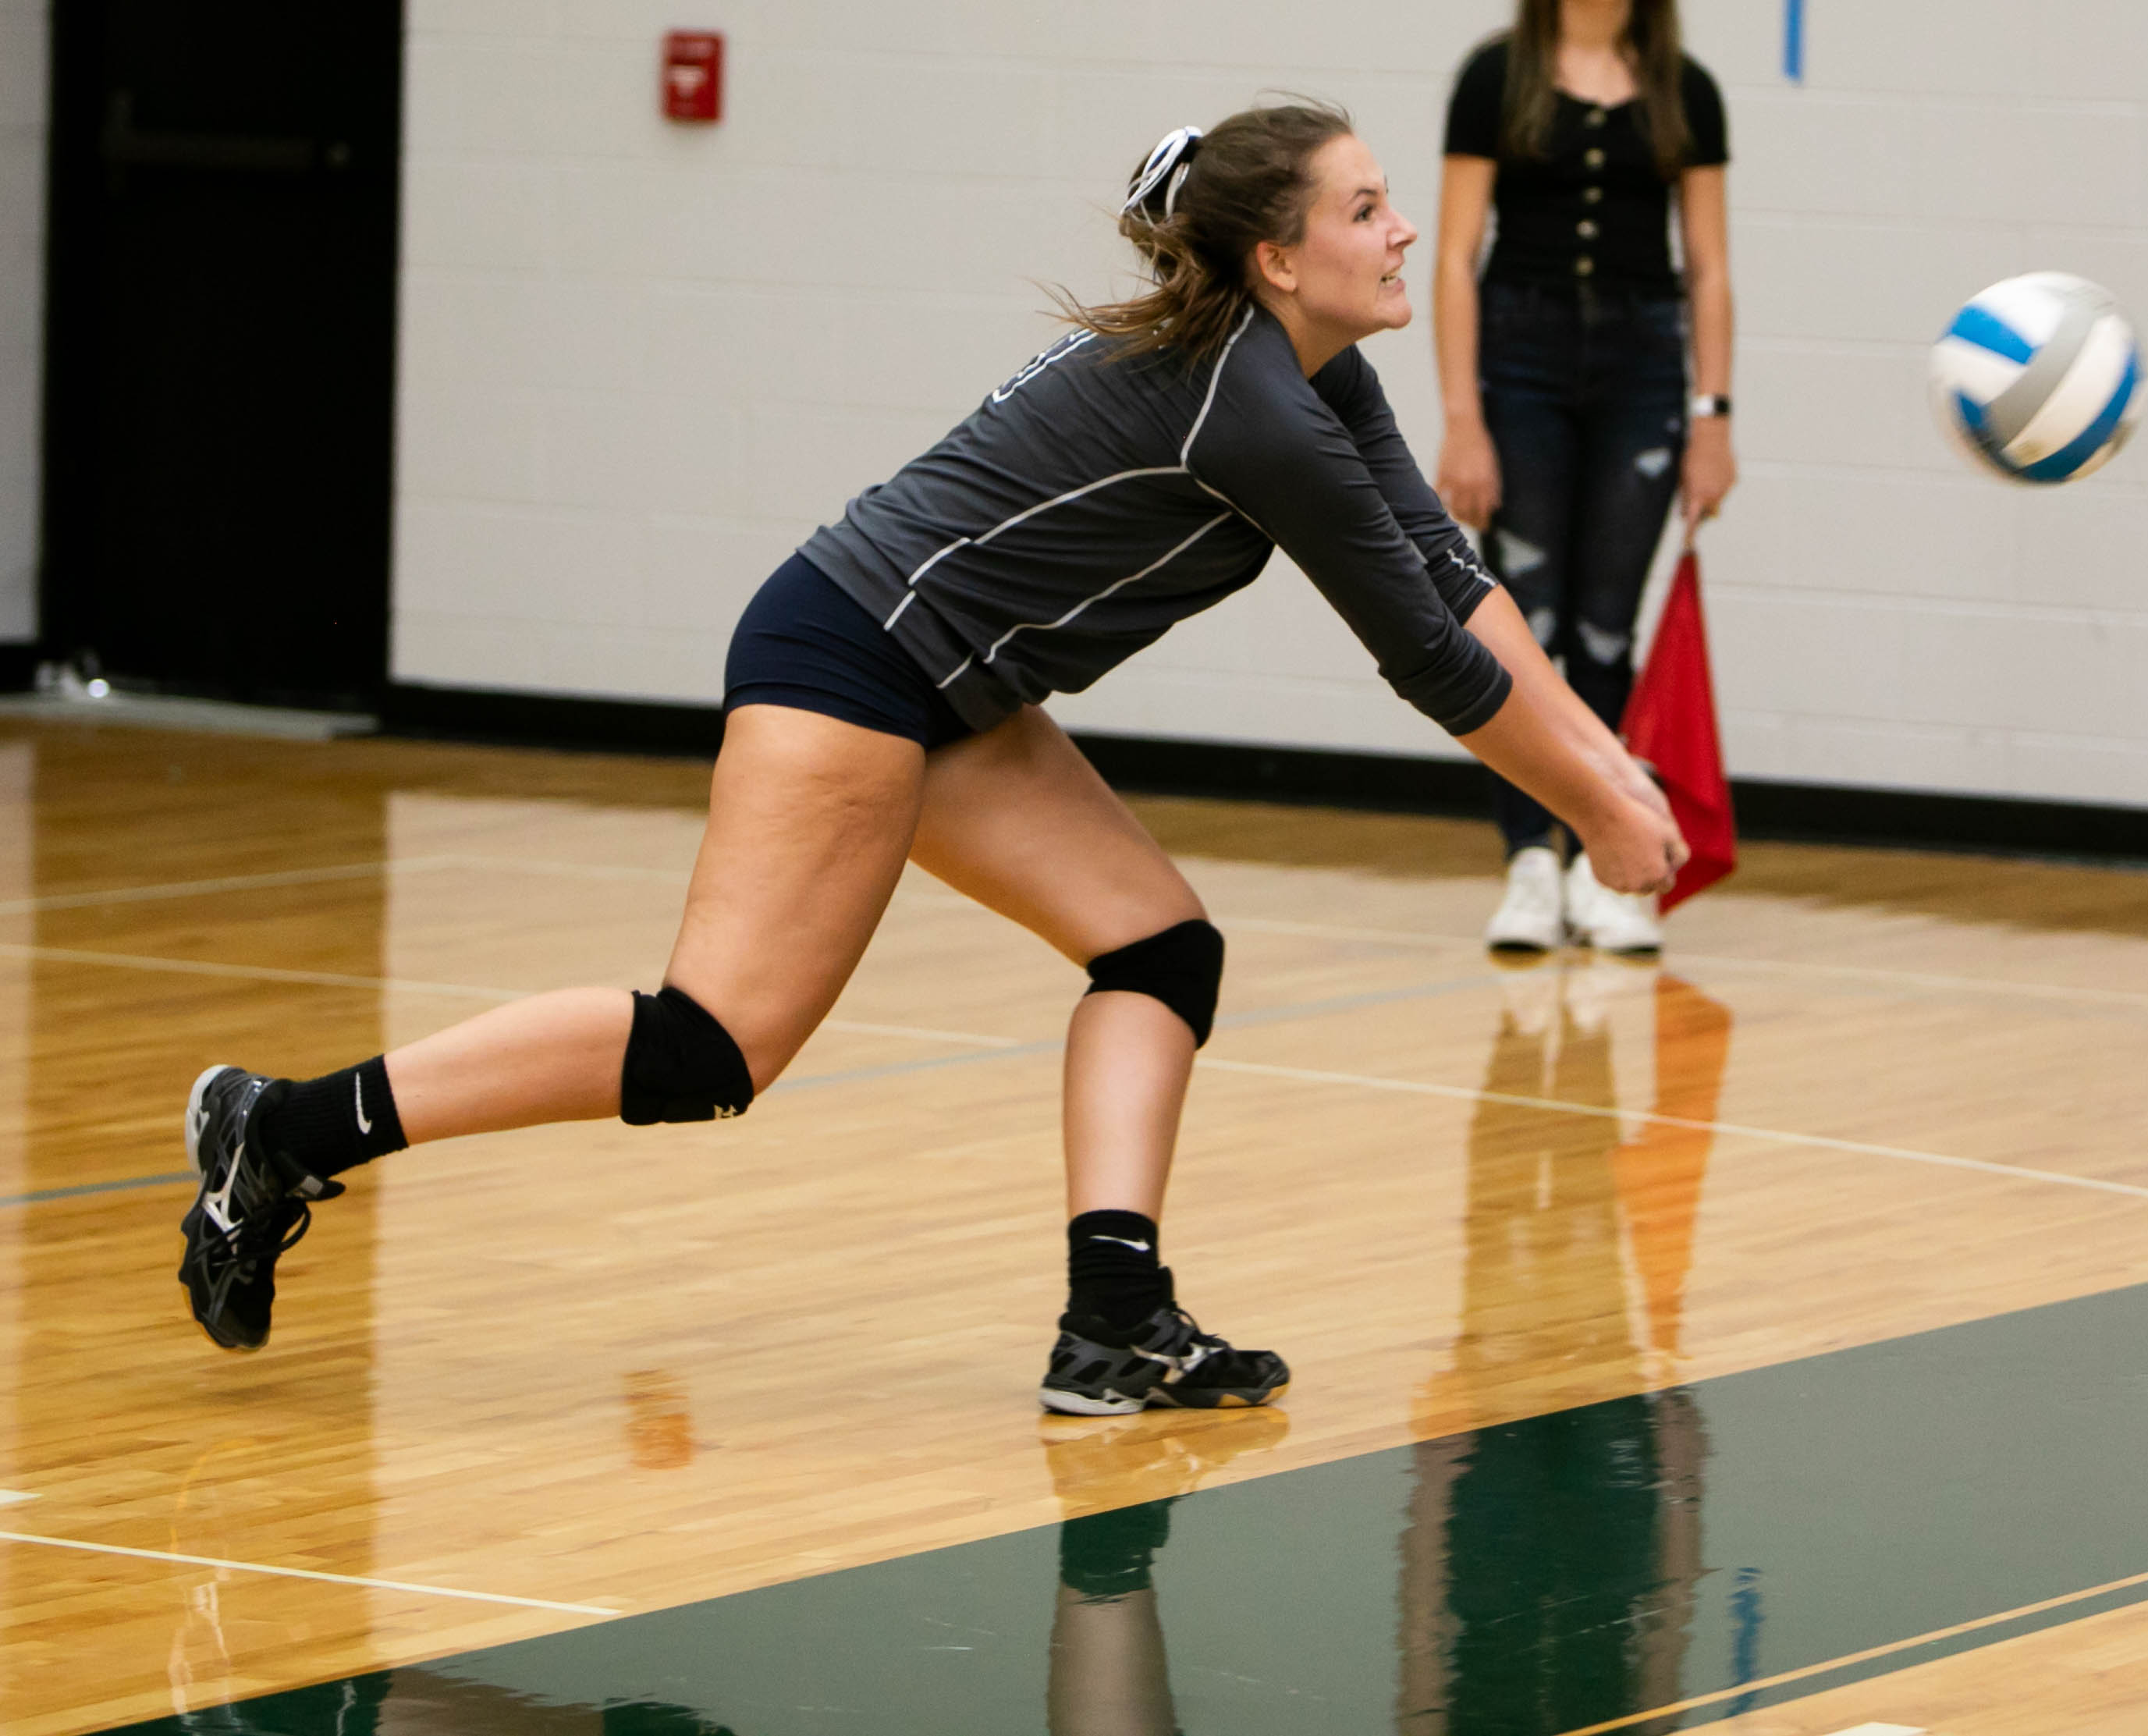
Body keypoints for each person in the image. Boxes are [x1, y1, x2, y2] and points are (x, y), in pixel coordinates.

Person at [176, 103, 1685, 1417]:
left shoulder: (1312, 375)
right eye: (1367, 209)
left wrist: (1611, 778)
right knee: (709, 1047)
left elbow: (1449, 575)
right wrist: (1592, 818)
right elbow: (1428, 658)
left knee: (1159, 948)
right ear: (1279, 260)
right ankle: (284, 1128)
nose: (1406, 226)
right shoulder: (1256, 410)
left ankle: (1113, 1327)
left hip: (949, 684)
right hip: (853, 660)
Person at [1433, 0, 1734, 957]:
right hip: (1520, 361)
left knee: (1609, 625)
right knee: (1523, 622)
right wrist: (1462, 414)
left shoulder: (1683, 88)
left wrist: (1714, 414)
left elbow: (1709, 266)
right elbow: (1456, 255)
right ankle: (1527, 858)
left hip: (1644, 368)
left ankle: (1613, 863)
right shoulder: (1494, 77)